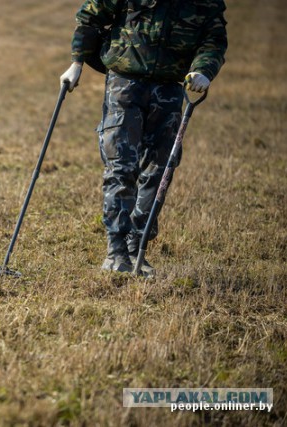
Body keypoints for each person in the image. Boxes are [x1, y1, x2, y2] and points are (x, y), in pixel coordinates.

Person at [60, 0, 227, 277]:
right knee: (121, 166)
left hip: (171, 89)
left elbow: (214, 39)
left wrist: (204, 70)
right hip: (125, 83)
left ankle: (137, 248)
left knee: (159, 172)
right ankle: (116, 253)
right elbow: (91, 16)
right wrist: (77, 61)